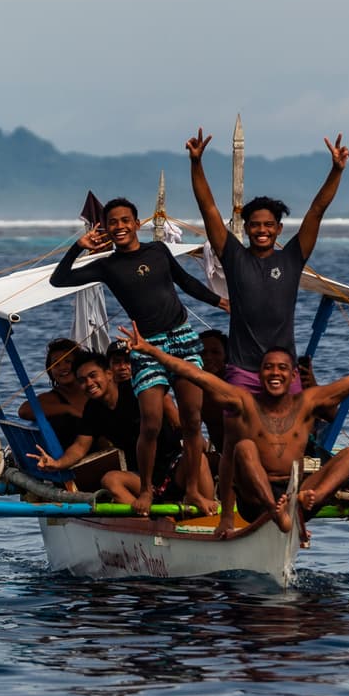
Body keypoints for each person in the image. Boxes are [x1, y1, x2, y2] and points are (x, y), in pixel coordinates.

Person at [121, 324, 349, 539]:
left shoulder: (309, 401)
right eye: (269, 368)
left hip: (294, 493)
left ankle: (303, 505)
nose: (275, 373)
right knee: (244, 447)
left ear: (291, 376)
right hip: (255, 498)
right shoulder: (243, 400)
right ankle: (282, 515)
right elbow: (191, 372)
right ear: (259, 375)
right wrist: (152, 351)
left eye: (282, 368)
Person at [49, 198, 228, 514]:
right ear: (105, 227)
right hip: (145, 345)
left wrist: (217, 301)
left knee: (191, 421)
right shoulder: (106, 265)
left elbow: (184, 282)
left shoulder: (158, 251)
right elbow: (58, 279)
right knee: (151, 423)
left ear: (136, 223)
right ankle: (145, 490)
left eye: (124, 220)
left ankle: (193, 493)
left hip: (182, 337)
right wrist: (78, 246)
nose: (119, 226)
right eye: (112, 222)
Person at [187, 128, 349, 393]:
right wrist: (196, 163)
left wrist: (337, 171)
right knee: (242, 435)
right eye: (255, 226)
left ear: (279, 229)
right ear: (247, 228)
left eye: (268, 226)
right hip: (242, 370)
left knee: (291, 435)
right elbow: (208, 208)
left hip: (284, 369)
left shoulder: (292, 258)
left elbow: (317, 211)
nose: (262, 230)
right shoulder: (233, 257)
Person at [25, 349, 202, 506]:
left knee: (199, 460)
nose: (89, 383)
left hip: (173, 465)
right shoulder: (93, 409)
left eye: (93, 376)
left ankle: (209, 517)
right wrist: (56, 464)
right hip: (141, 476)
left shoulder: (137, 391)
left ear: (109, 374)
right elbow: (79, 447)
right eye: (82, 380)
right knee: (110, 480)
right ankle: (148, 522)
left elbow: (178, 419)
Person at [17, 337, 86, 447]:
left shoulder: (92, 390)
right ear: (50, 371)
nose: (62, 367)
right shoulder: (53, 398)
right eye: (56, 364)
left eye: (68, 362)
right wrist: (68, 409)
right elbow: (24, 410)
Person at [197, 329, 229, 453]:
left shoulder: (236, 386)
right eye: (203, 353)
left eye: (215, 352)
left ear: (226, 356)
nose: (208, 357)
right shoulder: (197, 390)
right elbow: (191, 430)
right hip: (221, 455)